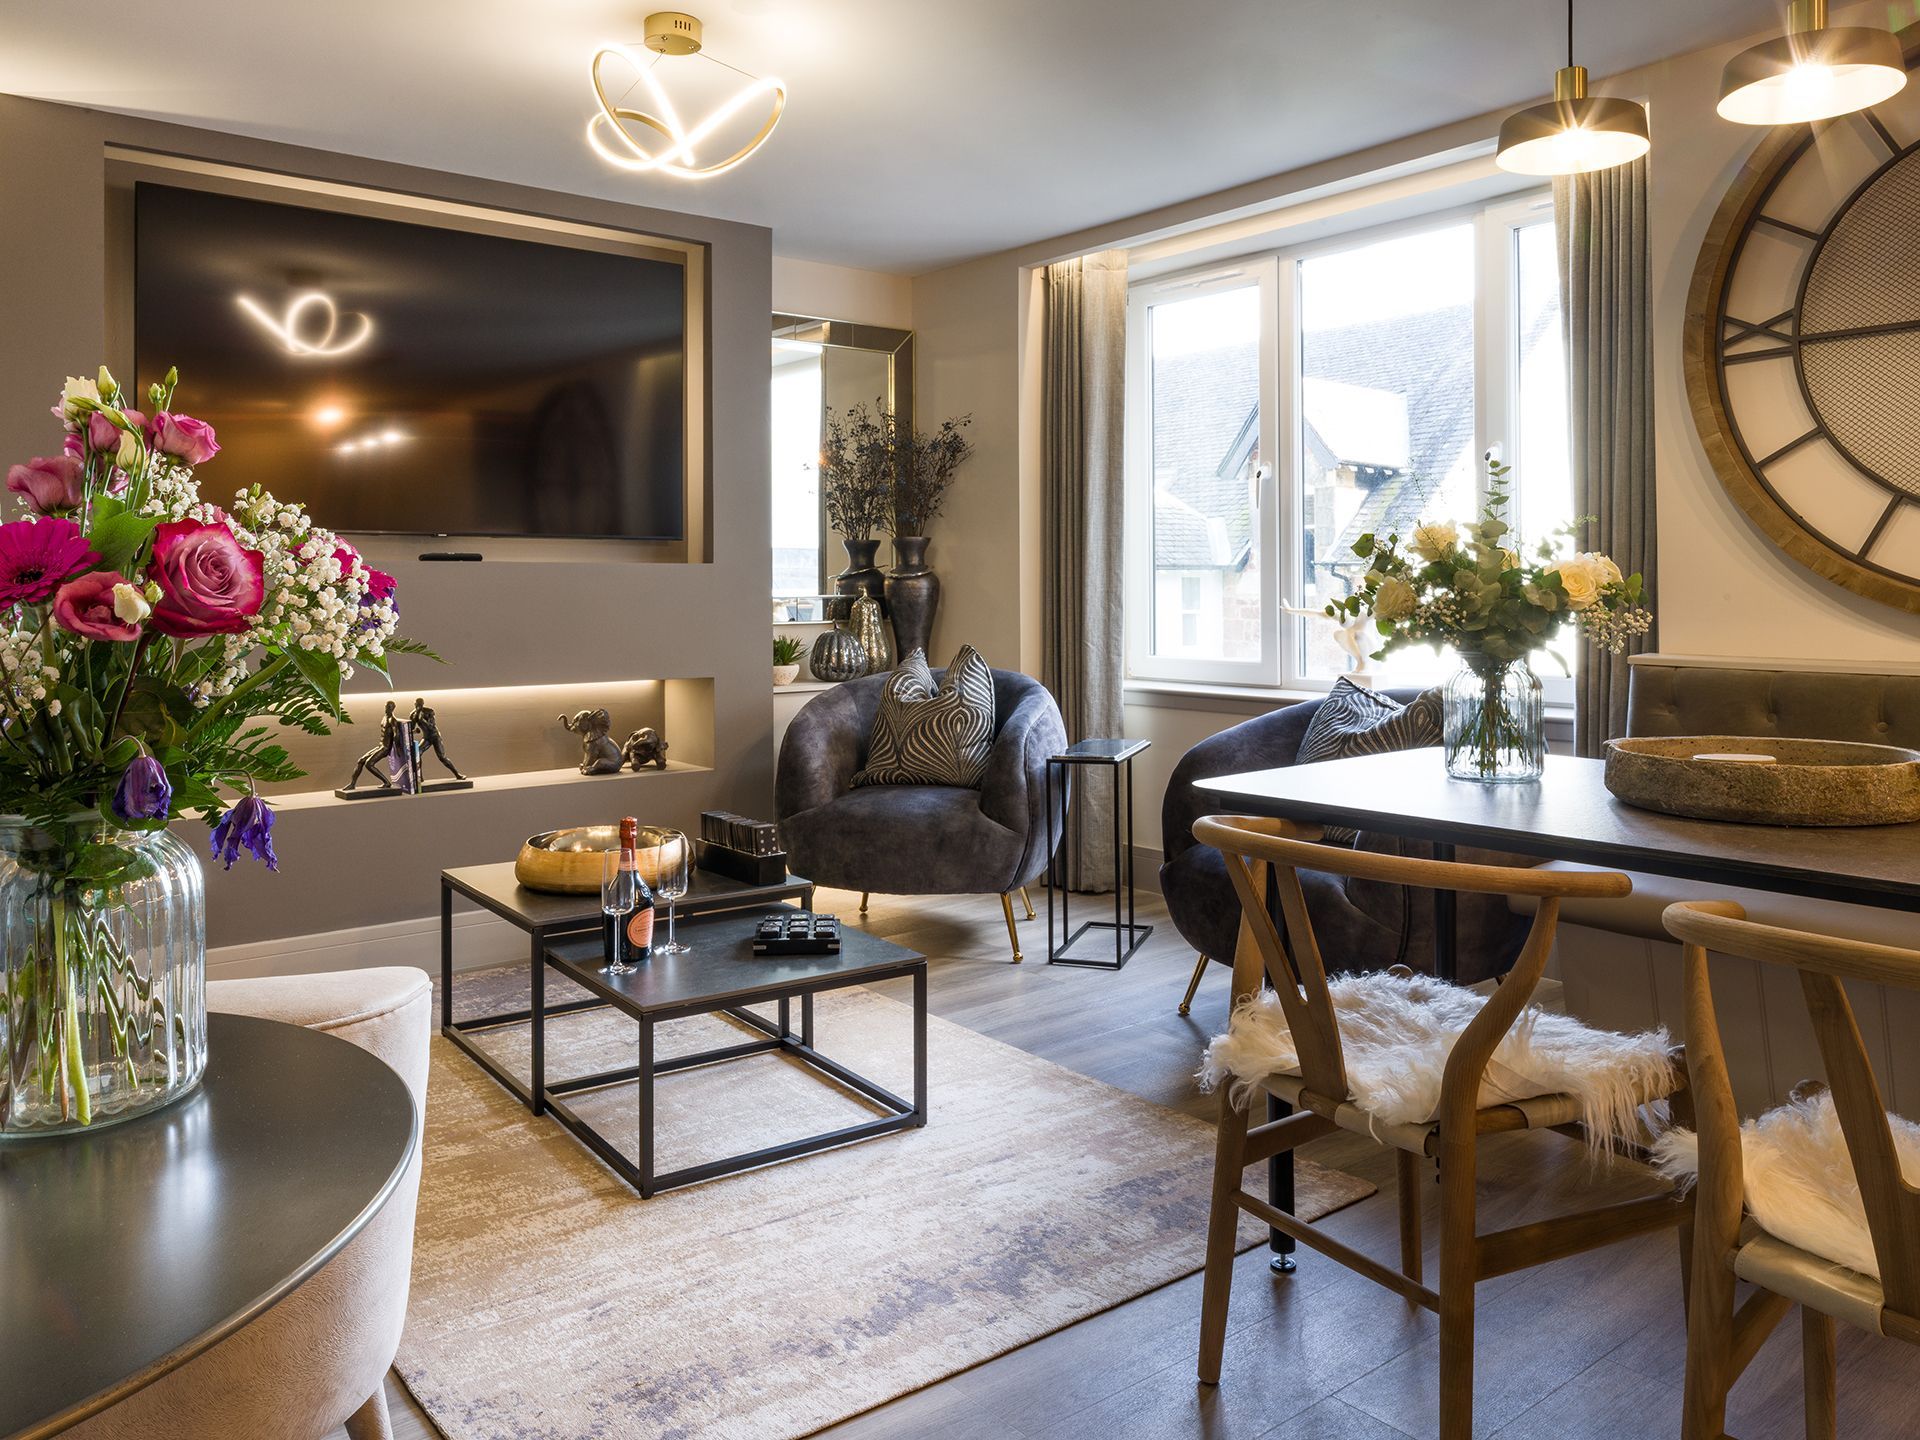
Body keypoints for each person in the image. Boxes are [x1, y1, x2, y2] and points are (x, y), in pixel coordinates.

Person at [410, 697, 465, 780]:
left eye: (420, 705)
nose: (418, 707)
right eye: (417, 705)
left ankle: (457, 774)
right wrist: (414, 730)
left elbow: (431, 726)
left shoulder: (429, 711)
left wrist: (422, 720)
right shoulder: (413, 714)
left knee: (442, 757)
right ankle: (420, 777)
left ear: (423, 705)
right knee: (417, 753)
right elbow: (412, 727)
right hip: (426, 737)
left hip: (435, 736)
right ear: (414, 705)